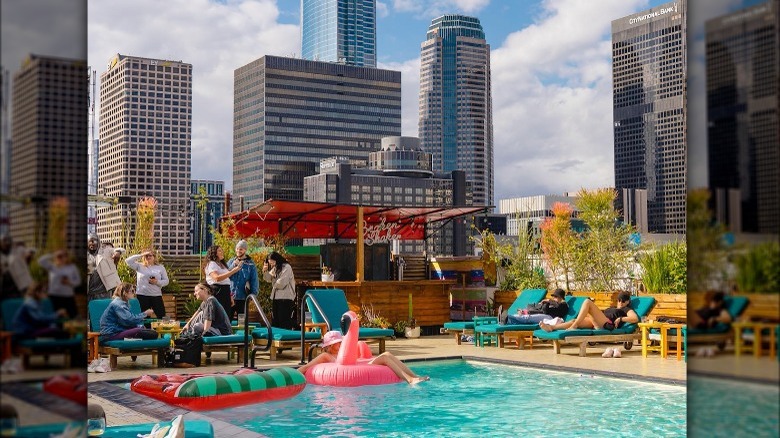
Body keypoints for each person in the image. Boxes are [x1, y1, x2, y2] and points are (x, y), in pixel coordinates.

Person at [298, 331, 429, 385]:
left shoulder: (342, 352)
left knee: (387, 354)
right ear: (331, 345)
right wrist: (293, 376)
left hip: (359, 366)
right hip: (351, 370)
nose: (341, 343)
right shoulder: (325, 356)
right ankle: (410, 380)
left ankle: (414, 375)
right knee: (385, 358)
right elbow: (306, 367)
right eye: (338, 342)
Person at [540, 291, 639, 332]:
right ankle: (551, 328)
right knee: (574, 321)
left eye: (623, 301)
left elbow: (635, 318)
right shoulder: (613, 307)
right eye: (619, 300)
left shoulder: (626, 309)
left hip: (607, 324)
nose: (620, 302)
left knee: (587, 302)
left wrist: (621, 318)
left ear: (628, 302)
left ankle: (574, 327)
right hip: (597, 322)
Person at [125, 249, 169, 319]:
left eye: (150, 255)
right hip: (142, 295)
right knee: (145, 317)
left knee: (161, 315)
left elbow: (166, 281)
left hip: (156, 295)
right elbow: (128, 261)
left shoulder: (160, 267)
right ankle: (146, 330)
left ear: (154, 257)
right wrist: (141, 254)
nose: (148, 257)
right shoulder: (139, 266)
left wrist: (157, 282)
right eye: (146, 256)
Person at [37, 250, 81, 318]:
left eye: (63, 256)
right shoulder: (52, 266)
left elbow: (78, 282)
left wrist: (69, 282)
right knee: (57, 316)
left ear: (67, 257)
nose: (61, 258)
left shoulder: (72, 267)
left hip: (68, 296)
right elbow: (40, 261)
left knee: (73, 315)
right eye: (59, 256)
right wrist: (52, 254)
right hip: (54, 296)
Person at [204, 245, 243, 318]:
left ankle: (225, 329)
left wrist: (230, 295)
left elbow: (226, 280)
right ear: (214, 253)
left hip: (226, 291)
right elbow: (216, 278)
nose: (222, 252)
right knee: (219, 314)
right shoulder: (212, 263)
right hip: (217, 290)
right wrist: (233, 271)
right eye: (219, 251)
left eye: (222, 250)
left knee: (226, 314)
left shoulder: (222, 264)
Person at [262, 251, 296, 330]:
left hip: (285, 298)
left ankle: (286, 338)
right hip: (276, 297)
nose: (272, 265)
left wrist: (274, 282)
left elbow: (281, 283)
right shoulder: (276, 268)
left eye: (273, 262)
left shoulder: (287, 267)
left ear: (277, 259)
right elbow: (268, 279)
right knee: (275, 321)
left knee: (284, 321)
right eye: (270, 263)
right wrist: (265, 271)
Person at [227, 240, 258, 319]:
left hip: (243, 297)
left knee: (242, 321)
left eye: (241, 249)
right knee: (227, 320)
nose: (238, 251)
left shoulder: (250, 264)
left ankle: (243, 331)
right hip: (230, 296)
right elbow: (225, 275)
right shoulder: (231, 261)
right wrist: (234, 265)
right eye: (237, 249)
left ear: (245, 250)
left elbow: (254, 280)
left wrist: (253, 294)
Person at [87, 234, 121, 301]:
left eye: (94, 241)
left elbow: (119, 249)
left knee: (103, 308)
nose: (92, 243)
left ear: (98, 242)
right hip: (90, 292)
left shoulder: (105, 251)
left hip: (103, 291)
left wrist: (118, 252)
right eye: (90, 241)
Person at [0, 234, 33, 300]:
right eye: (4, 242)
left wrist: (28, 255)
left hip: (20, 283)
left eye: (8, 242)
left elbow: (30, 251)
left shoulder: (18, 250)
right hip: (5, 285)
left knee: (23, 300)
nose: (7, 244)